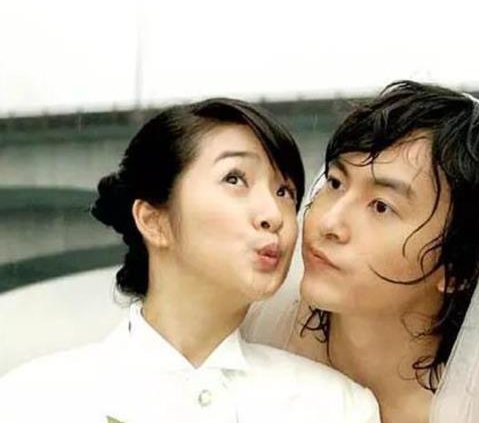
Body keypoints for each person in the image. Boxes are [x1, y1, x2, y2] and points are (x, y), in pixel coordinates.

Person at [0, 99, 380, 423]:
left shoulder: (336, 407)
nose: (274, 214)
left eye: (285, 191)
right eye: (235, 179)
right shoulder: (33, 401)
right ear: (154, 221)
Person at [242, 81, 479, 423]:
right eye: (336, 183)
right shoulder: (252, 322)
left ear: (460, 269)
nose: (328, 222)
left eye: (381, 206)